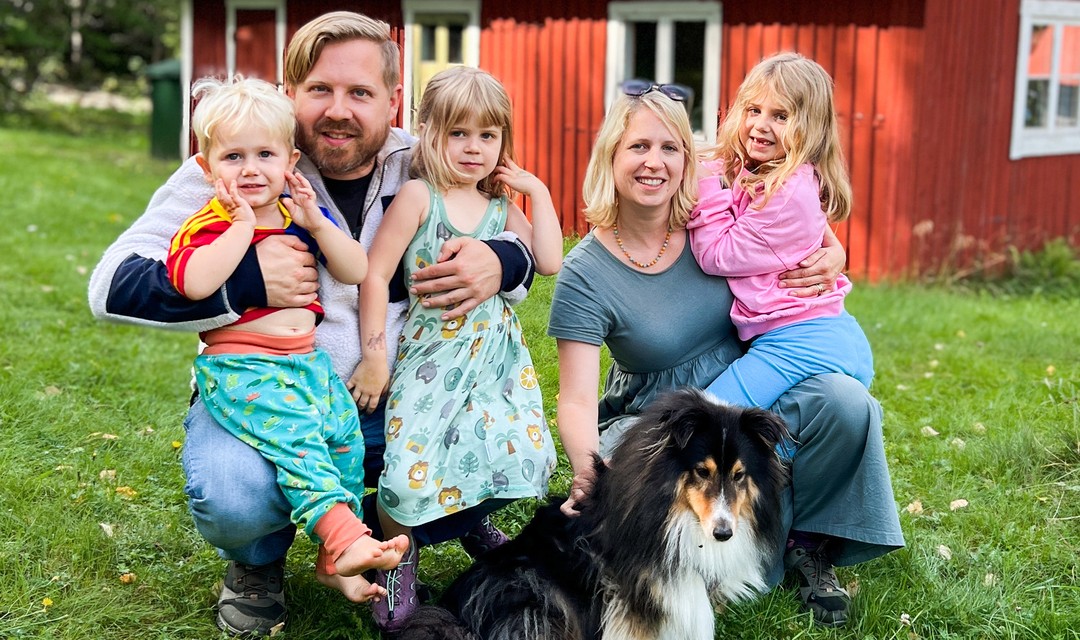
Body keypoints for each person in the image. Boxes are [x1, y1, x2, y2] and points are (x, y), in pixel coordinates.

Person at [87, 11, 535, 637]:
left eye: (361, 93)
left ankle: (399, 535)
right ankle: (256, 564)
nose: (339, 110)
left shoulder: (427, 159)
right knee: (233, 491)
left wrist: (503, 261)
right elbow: (109, 285)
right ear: (289, 92)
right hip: (267, 386)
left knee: (496, 446)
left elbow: (509, 229)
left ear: (393, 99)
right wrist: (246, 282)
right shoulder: (235, 163)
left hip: (404, 396)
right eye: (320, 89)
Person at [547, 83, 904, 628]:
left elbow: (791, 207)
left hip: (749, 387)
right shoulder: (586, 273)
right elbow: (573, 399)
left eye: (670, 149)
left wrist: (834, 249)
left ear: (689, 162)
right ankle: (704, 563)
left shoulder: (706, 219)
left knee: (846, 401)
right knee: (641, 475)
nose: (654, 163)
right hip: (661, 412)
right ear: (610, 156)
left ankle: (805, 545)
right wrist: (583, 469)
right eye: (638, 147)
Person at [168, 74, 409, 603]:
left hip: (306, 364)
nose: (251, 170)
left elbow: (355, 267)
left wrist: (319, 226)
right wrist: (238, 230)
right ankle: (343, 538)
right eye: (233, 158)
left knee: (342, 443)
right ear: (207, 169)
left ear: (290, 162)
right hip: (244, 368)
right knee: (298, 445)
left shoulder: (296, 216)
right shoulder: (205, 224)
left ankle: (333, 562)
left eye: (265, 155)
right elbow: (193, 284)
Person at [349, 66, 562, 630]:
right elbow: (375, 276)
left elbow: (549, 261)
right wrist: (375, 357)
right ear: (429, 134)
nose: (474, 148)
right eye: (458, 134)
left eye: (488, 136)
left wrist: (536, 191)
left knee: (522, 452)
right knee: (406, 471)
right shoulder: (421, 197)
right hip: (432, 357)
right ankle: (398, 558)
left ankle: (465, 519)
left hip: (495, 361)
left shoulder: (498, 203)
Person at [687, 52, 874, 410]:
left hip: (800, 339)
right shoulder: (770, 170)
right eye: (753, 110)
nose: (760, 125)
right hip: (803, 332)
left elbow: (716, 256)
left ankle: (621, 465)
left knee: (710, 415)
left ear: (811, 127)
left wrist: (705, 185)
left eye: (781, 116)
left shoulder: (787, 192)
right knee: (755, 436)